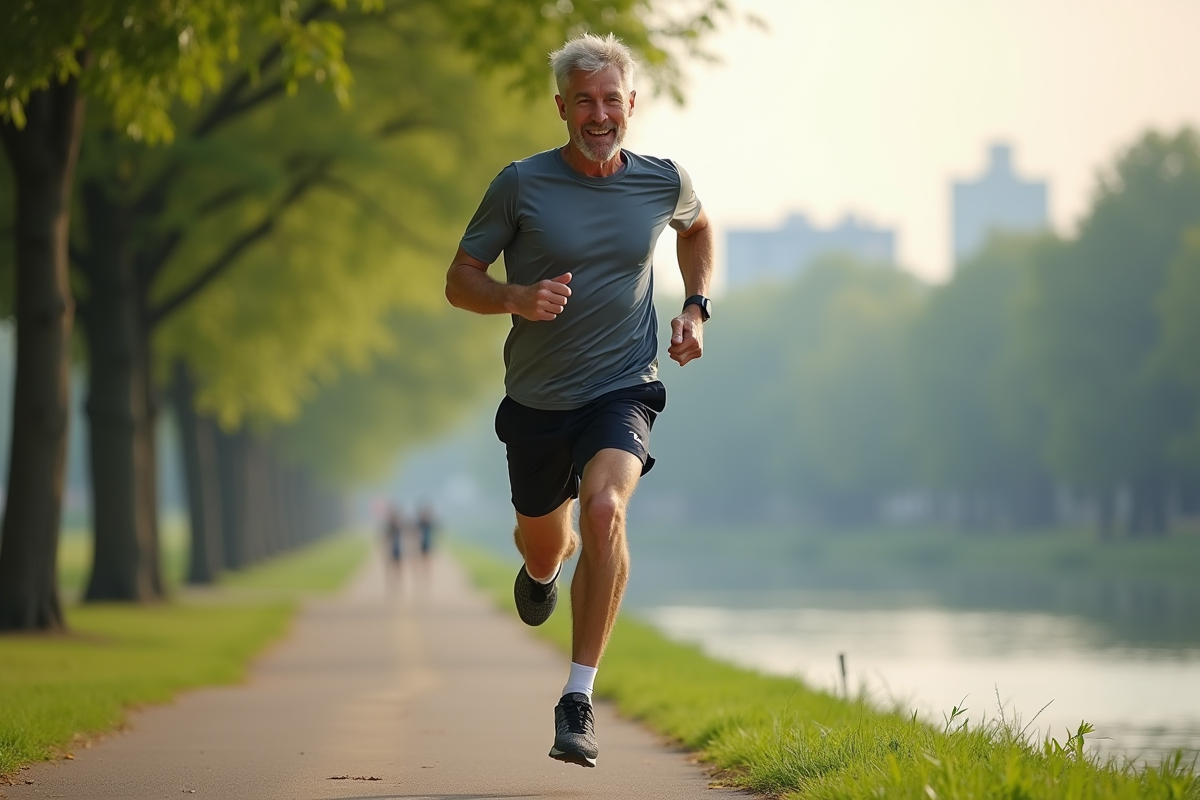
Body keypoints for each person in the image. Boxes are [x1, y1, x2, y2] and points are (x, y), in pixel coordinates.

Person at [444, 33, 713, 768]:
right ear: (561, 107)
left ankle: (578, 698)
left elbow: (696, 227)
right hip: (536, 400)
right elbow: (459, 277)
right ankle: (540, 572)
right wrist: (514, 297)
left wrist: (695, 305)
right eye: (584, 101)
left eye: (612, 100)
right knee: (546, 543)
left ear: (632, 104)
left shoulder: (662, 181)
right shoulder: (521, 184)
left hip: (624, 385)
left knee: (605, 510)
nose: (600, 114)